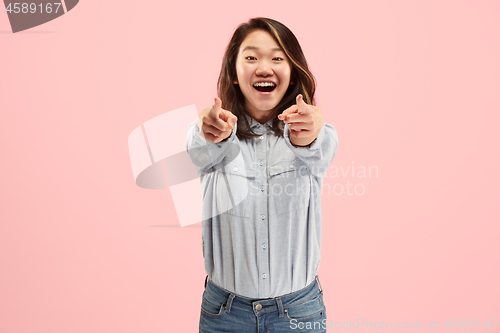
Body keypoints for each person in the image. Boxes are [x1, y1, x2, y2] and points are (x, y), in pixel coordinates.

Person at [186, 17, 338, 333]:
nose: (264, 67)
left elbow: (320, 144)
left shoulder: (312, 138)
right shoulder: (214, 137)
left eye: (277, 58)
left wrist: (310, 129)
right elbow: (198, 146)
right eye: (251, 57)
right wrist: (208, 129)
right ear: (234, 74)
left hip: (298, 312)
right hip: (225, 314)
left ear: (292, 72)